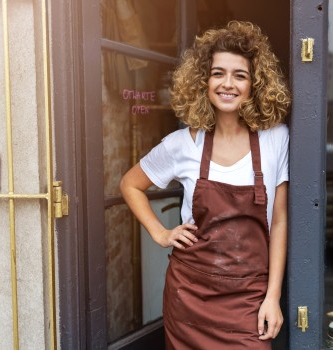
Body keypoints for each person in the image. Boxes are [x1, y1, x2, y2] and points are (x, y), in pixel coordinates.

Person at [120, 20, 290, 349]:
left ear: (255, 83)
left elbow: (280, 221)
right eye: (218, 73)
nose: (228, 84)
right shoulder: (183, 144)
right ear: (204, 81)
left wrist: (273, 296)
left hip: (248, 299)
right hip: (190, 296)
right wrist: (161, 233)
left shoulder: (275, 139)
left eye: (239, 75)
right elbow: (130, 184)